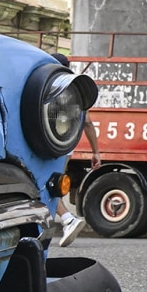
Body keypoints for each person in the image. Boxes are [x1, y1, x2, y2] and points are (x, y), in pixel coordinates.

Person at [51, 53, 100, 247]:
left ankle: (68, 219)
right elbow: (87, 122)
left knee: (45, 185)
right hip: (66, 147)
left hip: (48, 146)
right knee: (54, 184)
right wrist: (96, 152)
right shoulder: (75, 88)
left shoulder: (49, 84)